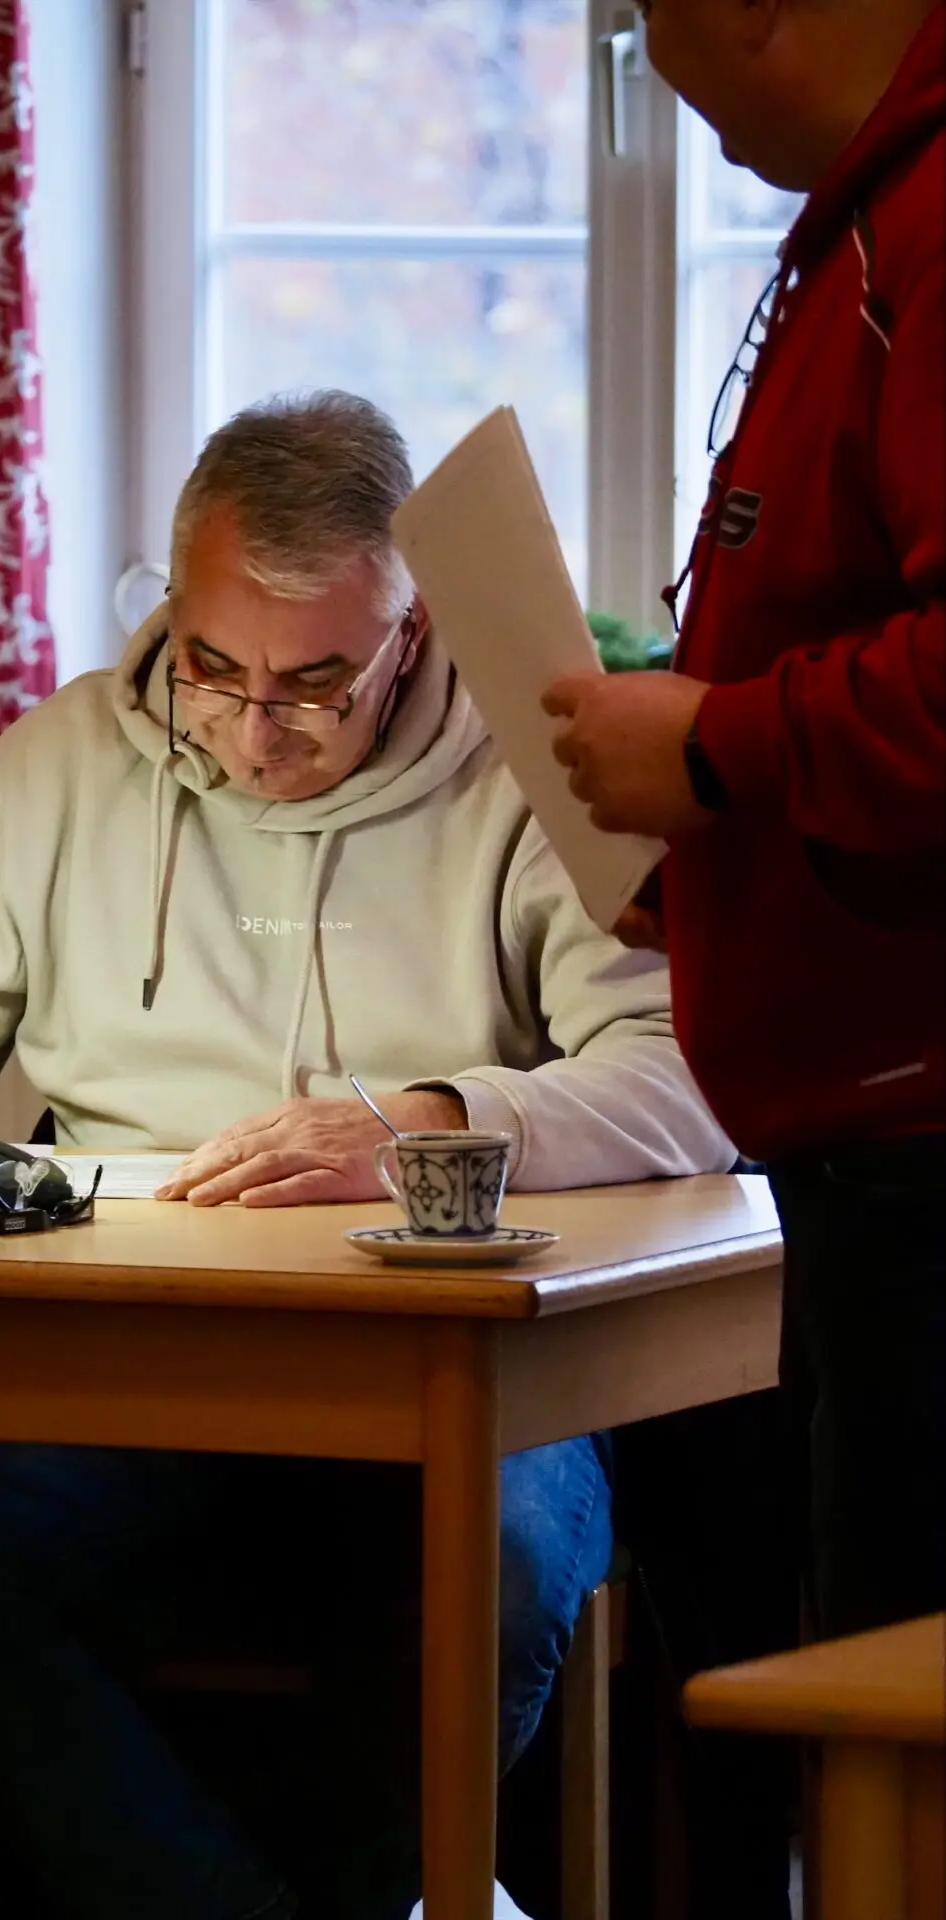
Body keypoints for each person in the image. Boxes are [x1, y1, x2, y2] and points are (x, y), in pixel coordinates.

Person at [0, 391, 734, 1920]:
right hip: (136, 1362)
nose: (253, 727)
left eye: (312, 683)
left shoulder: (532, 770)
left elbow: (690, 1079)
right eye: (214, 669)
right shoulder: (71, 757)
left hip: (461, 1367)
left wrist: (425, 1129)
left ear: (410, 635)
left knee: (507, 1577)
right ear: (170, 607)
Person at [545, 0, 944, 1644]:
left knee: (900, 1727)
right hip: (865, 1143)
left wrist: (716, 748)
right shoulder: (870, 216)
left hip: (925, 1142)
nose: (655, 76)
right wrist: (720, 849)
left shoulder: (928, 224)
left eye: (651, 26)